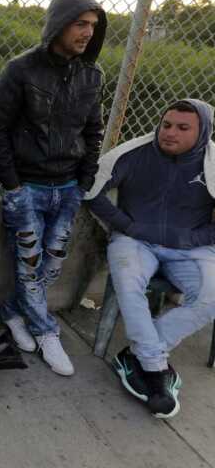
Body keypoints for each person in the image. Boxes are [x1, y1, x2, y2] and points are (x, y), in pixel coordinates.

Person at [0, 0, 107, 376]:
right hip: (28, 187)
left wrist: (85, 178)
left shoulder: (93, 75)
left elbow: (94, 131)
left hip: (68, 187)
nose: (88, 32)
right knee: (29, 262)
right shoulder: (21, 70)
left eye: (93, 25)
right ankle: (45, 330)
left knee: (52, 264)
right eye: (80, 23)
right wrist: (13, 185)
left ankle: (12, 313)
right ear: (59, 23)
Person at [84, 99, 215, 418]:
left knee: (210, 297)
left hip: (191, 245)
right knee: (129, 289)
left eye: (183, 128)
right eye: (166, 125)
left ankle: (136, 356)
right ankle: (155, 371)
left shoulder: (213, 162)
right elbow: (90, 191)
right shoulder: (132, 153)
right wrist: (127, 225)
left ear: (202, 132)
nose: (169, 133)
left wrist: (193, 239)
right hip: (135, 240)